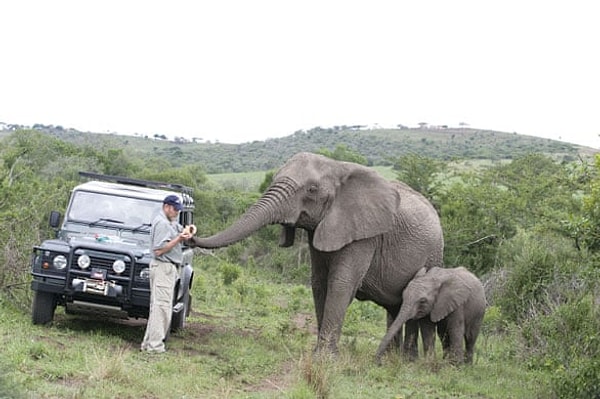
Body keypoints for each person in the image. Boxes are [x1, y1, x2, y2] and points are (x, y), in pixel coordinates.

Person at [140, 194, 191, 353]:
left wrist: (188, 230)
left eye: (178, 210)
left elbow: (178, 231)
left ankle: (148, 344)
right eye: (175, 209)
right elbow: (159, 250)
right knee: (161, 308)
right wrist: (178, 239)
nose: (177, 212)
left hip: (165, 268)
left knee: (158, 308)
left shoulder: (169, 222)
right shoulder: (161, 223)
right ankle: (155, 347)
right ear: (166, 207)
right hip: (163, 267)